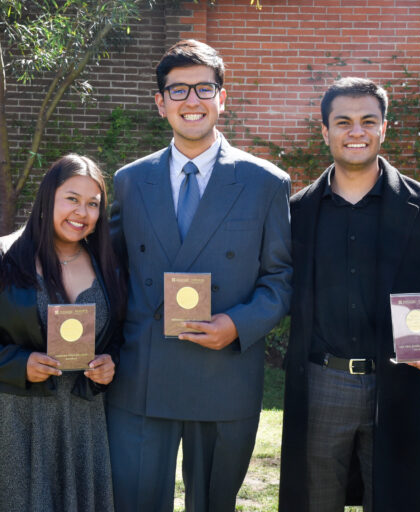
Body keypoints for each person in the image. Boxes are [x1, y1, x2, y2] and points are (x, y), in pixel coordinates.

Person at [106, 39, 293, 512]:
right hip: (142, 372)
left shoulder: (265, 182)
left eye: (204, 88)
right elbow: (107, 268)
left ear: (222, 98)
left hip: (224, 375)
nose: (192, 100)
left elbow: (280, 279)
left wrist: (237, 325)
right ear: (160, 103)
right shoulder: (130, 179)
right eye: (178, 90)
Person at [278, 77, 420, 512]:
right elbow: (274, 287)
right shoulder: (297, 213)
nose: (356, 131)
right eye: (343, 121)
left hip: (401, 383)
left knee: (400, 501)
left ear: (384, 128)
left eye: (368, 121)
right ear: (325, 130)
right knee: (314, 503)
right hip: (321, 383)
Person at [0, 154, 126, 512]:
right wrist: (18, 363)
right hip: (9, 420)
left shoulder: (108, 265)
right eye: (72, 198)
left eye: (93, 204)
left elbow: (116, 334)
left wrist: (110, 362)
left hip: (80, 423)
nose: (82, 212)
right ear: (48, 198)